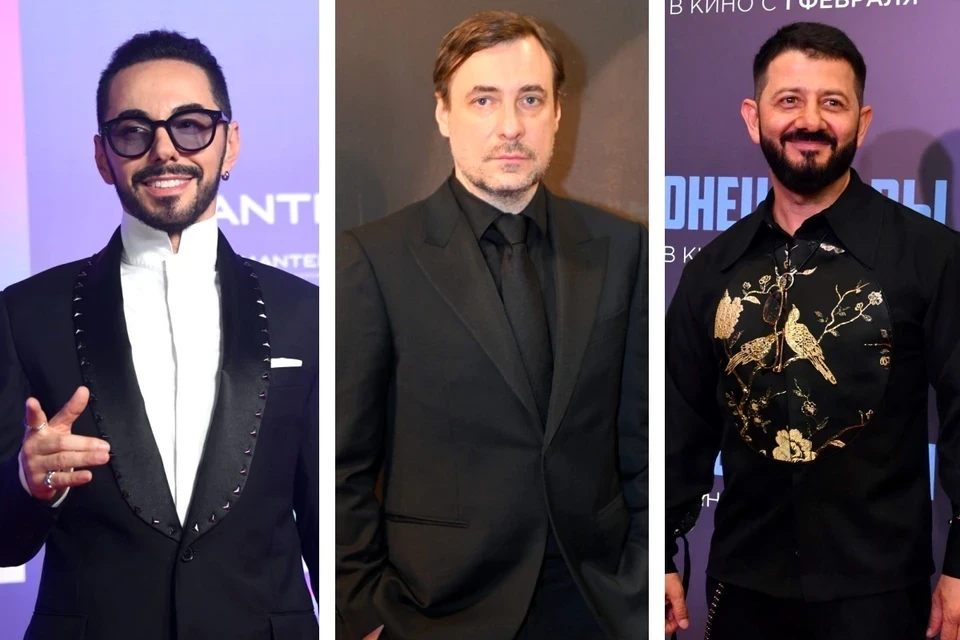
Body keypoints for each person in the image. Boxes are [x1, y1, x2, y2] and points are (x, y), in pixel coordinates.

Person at [336, 10, 647, 640]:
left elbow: (640, 434)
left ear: (557, 112)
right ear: (443, 113)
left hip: (594, 604)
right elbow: (344, 460)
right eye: (483, 100)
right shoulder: (376, 258)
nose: (510, 126)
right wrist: (362, 610)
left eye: (530, 99)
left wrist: (643, 574)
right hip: (437, 609)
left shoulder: (621, 247)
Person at [0, 30, 318, 640]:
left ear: (229, 143)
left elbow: (326, 520)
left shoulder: (304, 312)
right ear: (103, 157)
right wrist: (27, 483)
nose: (164, 150)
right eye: (133, 131)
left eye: (191, 125)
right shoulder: (25, 314)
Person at [664, 21, 960, 639]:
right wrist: (660, 550)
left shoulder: (931, 257)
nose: (810, 120)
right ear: (754, 118)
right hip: (741, 588)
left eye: (832, 102)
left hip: (879, 596)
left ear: (861, 122)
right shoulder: (712, 270)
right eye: (789, 100)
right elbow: (678, 422)